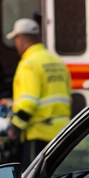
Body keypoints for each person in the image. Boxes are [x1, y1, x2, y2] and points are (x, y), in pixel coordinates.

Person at [6, 17, 71, 167]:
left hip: (38, 134)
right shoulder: (56, 61)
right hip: (62, 133)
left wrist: (14, 128)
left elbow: (28, 104)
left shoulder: (29, 64)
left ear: (20, 39)